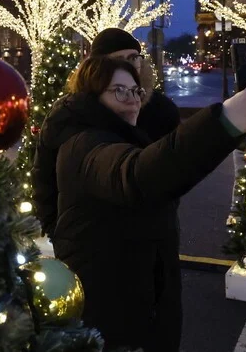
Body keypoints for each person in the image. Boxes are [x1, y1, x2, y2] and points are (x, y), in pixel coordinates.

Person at [36, 56, 246, 351]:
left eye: (135, 91)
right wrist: (224, 122)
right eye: (119, 91)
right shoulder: (84, 145)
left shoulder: (123, 136)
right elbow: (137, 175)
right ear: (91, 96)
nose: (133, 100)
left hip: (138, 304)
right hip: (112, 318)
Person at [35, 28, 182, 341]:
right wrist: (57, 230)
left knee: (159, 317)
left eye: (135, 57)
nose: (132, 64)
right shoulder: (73, 121)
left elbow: (171, 170)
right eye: (121, 59)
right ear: (98, 69)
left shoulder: (160, 110)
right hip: (97, 248)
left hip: (155, 242)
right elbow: (45, 177)